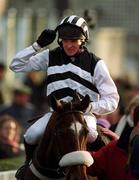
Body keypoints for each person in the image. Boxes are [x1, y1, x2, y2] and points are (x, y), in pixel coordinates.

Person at [9, 15, 119, 179]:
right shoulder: (50, 56)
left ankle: (103, 173)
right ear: (60, 40)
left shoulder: (96, 63)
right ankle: (26, 168)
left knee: (92, 135)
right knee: (31, 134)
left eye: (73, 41)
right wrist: (37, 45)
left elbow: (112, 99)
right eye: (65, 40)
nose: (68, 45)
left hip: (84, 114)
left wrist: (90, 107)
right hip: (57, 113)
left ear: (83, 41)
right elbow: (15, 65)